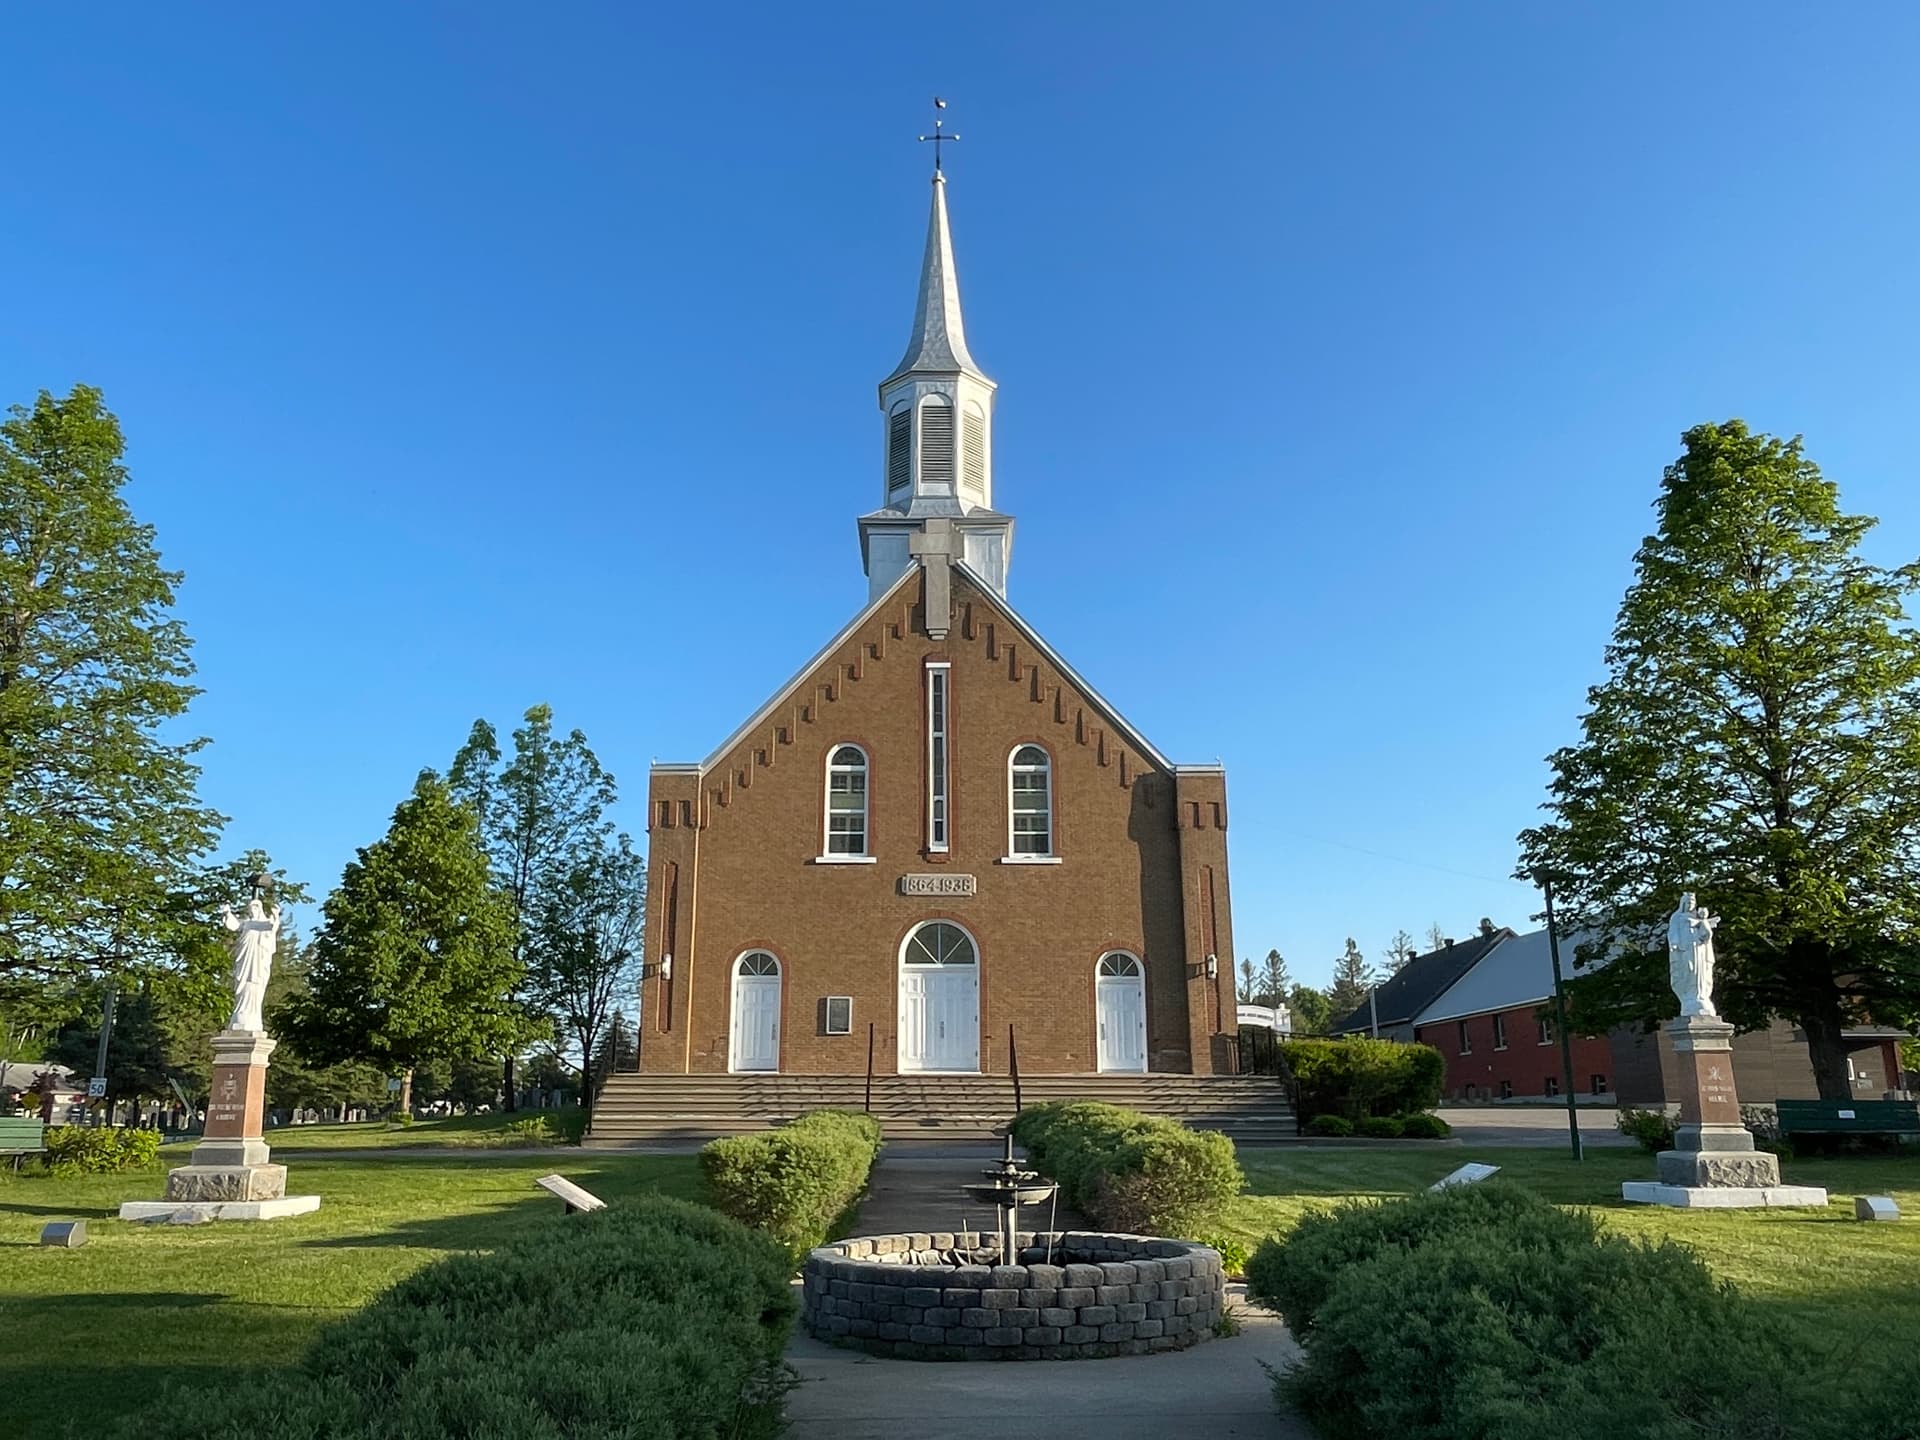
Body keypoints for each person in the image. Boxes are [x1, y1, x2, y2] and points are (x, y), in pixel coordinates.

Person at [222, 897, 281, 1032]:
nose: (252, 910)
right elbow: (234, 925)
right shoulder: (247, 924)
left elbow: (273, 927)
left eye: (255, 907)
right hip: (244, 960)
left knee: (254, 985)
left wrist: (275, 915)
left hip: (257, 963)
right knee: (242, 985)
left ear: (260, 909)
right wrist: (227, 913)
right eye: (250, 908)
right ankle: (239, 1015)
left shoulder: (265, 924)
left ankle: (252, 1017)